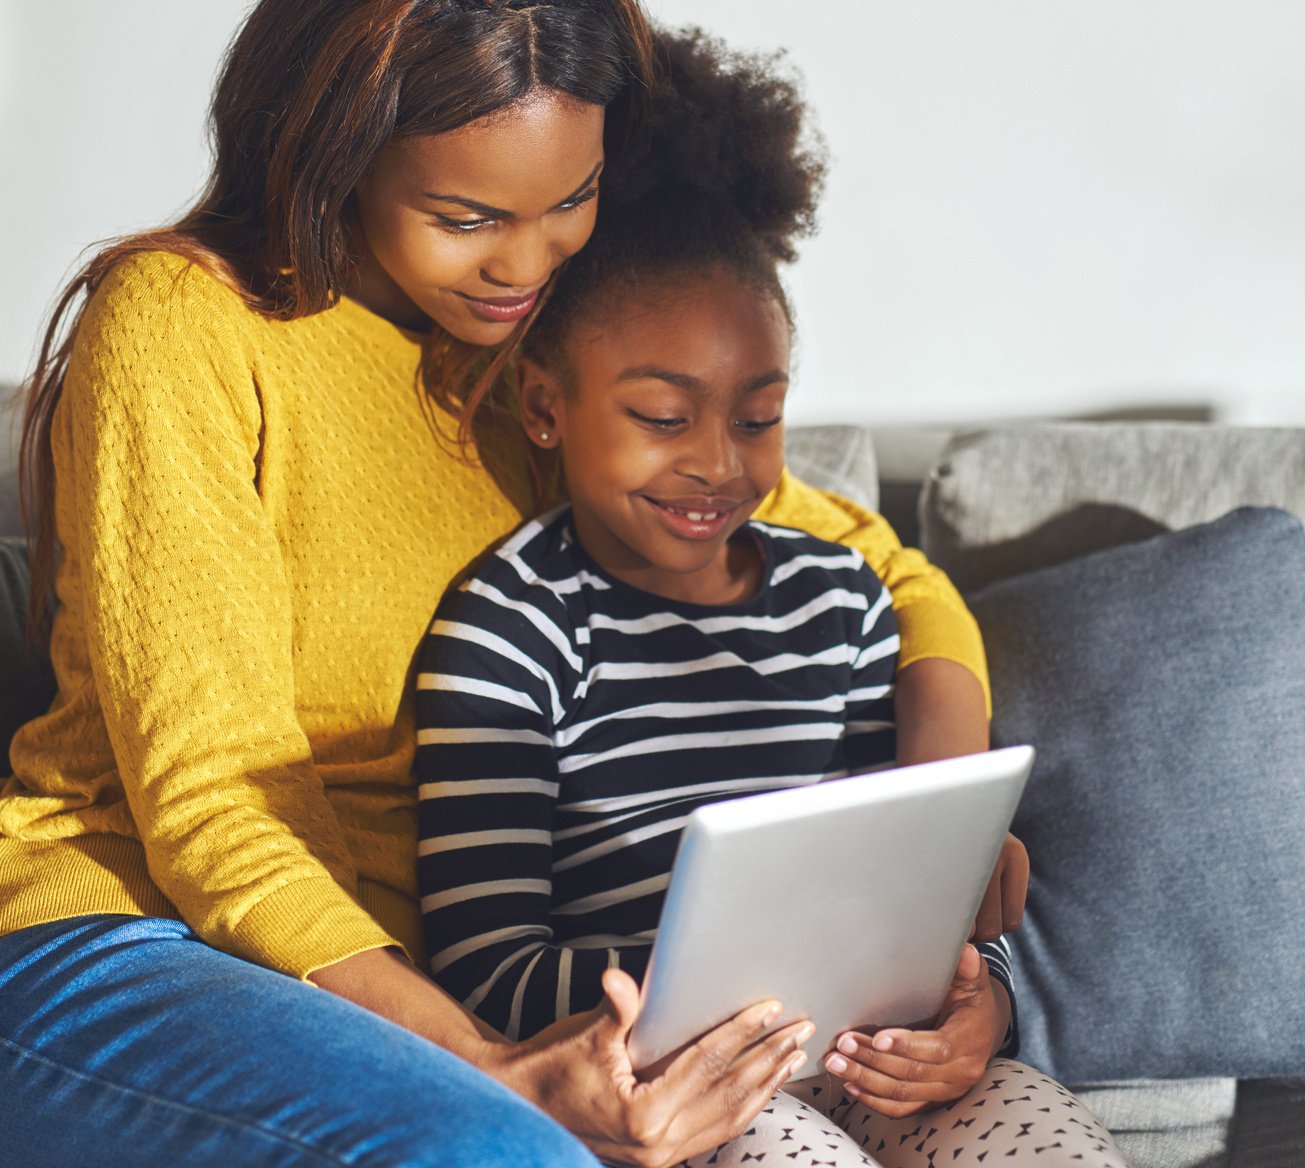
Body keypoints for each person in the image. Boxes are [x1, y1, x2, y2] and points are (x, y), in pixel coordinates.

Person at [0, 3, 1009, 1165]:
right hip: (132, 935)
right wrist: (493, 1068)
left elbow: (891, 570)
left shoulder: (535, 365)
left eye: (569, 201)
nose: (525, 265)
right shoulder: (185, 326)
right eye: (466, 216)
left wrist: (942, 850)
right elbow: (214, 804)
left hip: (397, 986)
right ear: (339, 153)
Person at [412, 29, 1127, 1168]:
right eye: (662, 417)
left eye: (757, 417)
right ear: (546, 407)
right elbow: (483, 964)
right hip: (673, 1085)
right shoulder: (510, 629)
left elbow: (917, 887)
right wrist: (709, 988)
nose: (718, 463)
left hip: (862, 1055)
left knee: (1045, 1137)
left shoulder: (841, 602)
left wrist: (972, 1001)